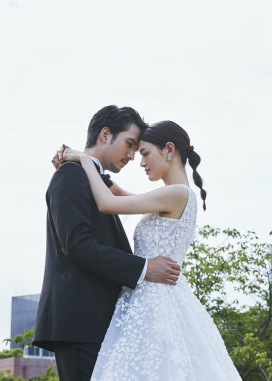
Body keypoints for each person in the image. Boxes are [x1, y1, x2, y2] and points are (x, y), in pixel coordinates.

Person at [57, 120, 241, 380]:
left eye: (144, 154)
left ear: (169, 149)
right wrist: (80, 161)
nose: (140, 162)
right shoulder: (171, 195)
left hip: (155, 299)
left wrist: (84, 159)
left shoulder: (177, 193)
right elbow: (117, 192)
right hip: (150, 296)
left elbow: (107, 202)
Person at [33, 106, 182, 381]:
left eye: (137, 150)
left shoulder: (88, 177)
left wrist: (81, 157)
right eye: (129, 144)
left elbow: (111, 192)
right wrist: (144, 268)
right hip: (79, 324)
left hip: (98, 323)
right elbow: (76, 244)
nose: (131, 156)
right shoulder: (70, 175)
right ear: (105, 134)